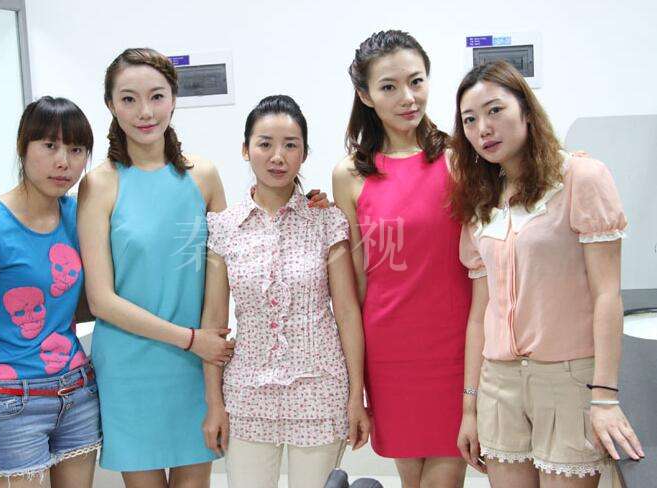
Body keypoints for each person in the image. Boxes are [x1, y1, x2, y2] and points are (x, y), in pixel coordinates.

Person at [77, 48, 330, 488]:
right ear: (111, 105)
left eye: (157, 96)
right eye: (129, 99)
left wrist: (308, 208)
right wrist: (192, 340)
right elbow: (101, 300)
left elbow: (240, 257)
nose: (145, 112)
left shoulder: (203, 176)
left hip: (196, 367)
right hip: (132, 363)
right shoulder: (100, 184)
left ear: (173, 99)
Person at [452, 60, 644, 487]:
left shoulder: (580, 177)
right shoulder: (480, 200)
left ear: (525, 109)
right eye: (470, 120)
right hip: (498, 383)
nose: (483, 128)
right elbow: (480, 312)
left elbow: (607, 295)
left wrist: (605, 397)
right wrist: (470, 407)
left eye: (495, 110)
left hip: (568, 378)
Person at [201, 95, 370, 488]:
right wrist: (214, 403)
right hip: (247, 392)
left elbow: (347, 313)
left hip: (320, 389)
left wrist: (355, 397)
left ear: (304, 154)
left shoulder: (326, 221)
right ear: (246, 150)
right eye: (265, 144)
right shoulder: (224, 227)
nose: (277, 156)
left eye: (290, 145)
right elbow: (214, 320)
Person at [332, 30, 471, 487]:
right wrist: (356, 385)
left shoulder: (460, 158)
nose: (407, 98)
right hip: (390, 353)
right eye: (389, 87)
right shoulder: (349, 175)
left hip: (455, 349)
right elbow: (357, 282)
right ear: (365, 95)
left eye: (416, 81)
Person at [0, 96, 101, 487]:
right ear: (23, 147)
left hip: (77, 390)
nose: (64, 162)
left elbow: (85, 301)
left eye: (76, 150)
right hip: (10, 399)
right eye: (49, 146)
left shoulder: (77, 215)